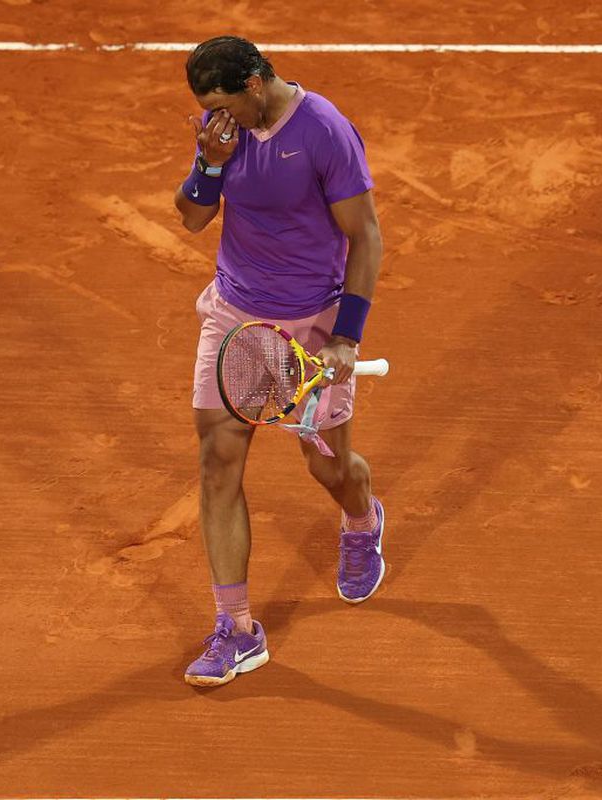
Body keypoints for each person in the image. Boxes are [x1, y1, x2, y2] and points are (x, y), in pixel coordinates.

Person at [174, 36, 385, 687]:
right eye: (207, 107)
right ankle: (236, 629)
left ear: (255, 83)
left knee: (329, 467)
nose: (218, 117)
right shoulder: (221, 133)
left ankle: (361, 518)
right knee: (217, 460)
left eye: (225, 103)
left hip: (313, 324)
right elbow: (192, 219)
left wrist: (346, 336)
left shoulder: (323, 129)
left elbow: (365, 234)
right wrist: (209, 164)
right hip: (236, 316)